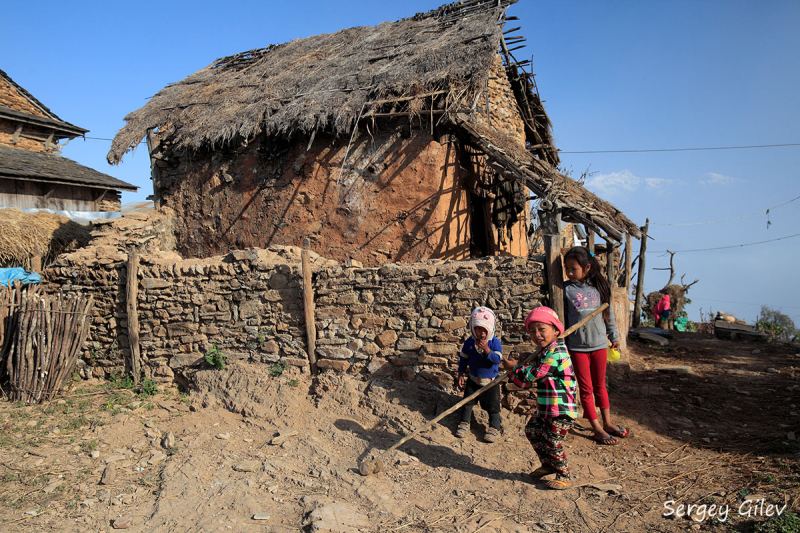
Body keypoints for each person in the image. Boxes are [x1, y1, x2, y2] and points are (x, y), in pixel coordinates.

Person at [501, 306, 576, 490]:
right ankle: (549, 464)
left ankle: (564, 475)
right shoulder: (544, 353)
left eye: (542, 329)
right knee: (532, 430)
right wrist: (524, 364)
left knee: (552, 440)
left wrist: (513, 369)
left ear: (556, 330)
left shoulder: (558, 351)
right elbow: (525, 382)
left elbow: (536, 373)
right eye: (532, 331)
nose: (537, 334)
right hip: (547, 407)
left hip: (561, 409)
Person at [563, 246, 630, 445]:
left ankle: (607, 422)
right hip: (577, 347)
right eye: (567, 268)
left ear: (587, 267)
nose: (569, 272)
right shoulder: (566, 290)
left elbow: (608, 316)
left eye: (573, 268)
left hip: (600, 344)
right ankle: (596, 427)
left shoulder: (599, 287)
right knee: (586, 388)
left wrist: (614, 336)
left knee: (601, 385)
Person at [455, 306, 503, 443]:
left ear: (490, 328)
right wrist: (460, 374)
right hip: (473, 380)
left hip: (491, 382)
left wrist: (487, 350)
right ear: (472, 328)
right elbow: (463, 359)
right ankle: (464, 423)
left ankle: (494, 427)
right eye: (477, 329)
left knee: (493, 406)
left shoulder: (494, 343)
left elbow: (497, 359)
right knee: (468, 403)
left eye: (484, 329)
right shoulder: (469, 343)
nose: (481, 333)